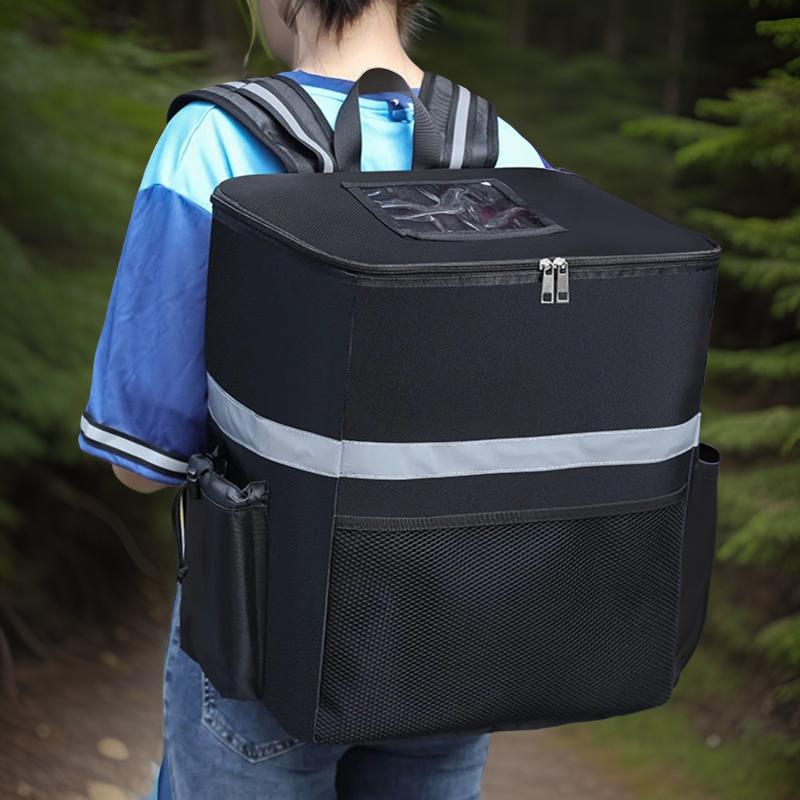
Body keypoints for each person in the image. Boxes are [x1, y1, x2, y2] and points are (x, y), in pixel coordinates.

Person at [78, 1, 548, 796]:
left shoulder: (214, 142)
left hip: (266, 635)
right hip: (458, 634)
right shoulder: (511, 156)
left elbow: (140, 463)